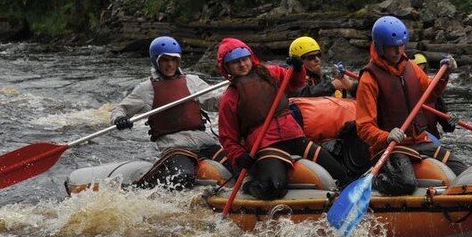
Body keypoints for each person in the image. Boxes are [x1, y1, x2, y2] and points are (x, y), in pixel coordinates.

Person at [215, 37, 349, 200]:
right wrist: (239, 156)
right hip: (266, 145)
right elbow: (227, 137)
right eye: (236, 62)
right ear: (227, 67)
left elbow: (296, 83)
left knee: (341, 174)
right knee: (273, 188)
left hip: (294, 136)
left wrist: (298, 68)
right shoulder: (229, 98)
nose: (242, 64)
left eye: (244, 59)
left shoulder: (270, 73)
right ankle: (249, 185)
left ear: (251, 58)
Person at [355, 16, 468, 195]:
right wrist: (386, 136)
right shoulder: (369, 79)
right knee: (405, 184)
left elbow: (430, 94)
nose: (398, 51)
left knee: (463, 171)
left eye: (401, 45)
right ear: (380, 46)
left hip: (420, 140)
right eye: (392, 47)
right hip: (391, 146)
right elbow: (363, 127)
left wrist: (444, 76)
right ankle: (374, 181)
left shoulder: (411, 67)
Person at [110, 36, 222, 189]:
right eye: (165, 60)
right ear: (156, 61)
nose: (170, 64)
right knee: (182, 177)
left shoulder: (192, 81)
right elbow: (120, 109)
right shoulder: (146, 89)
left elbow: (214, 102)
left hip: (205, 142)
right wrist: (119, 118)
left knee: (237, 163)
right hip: (175, 147)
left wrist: (233, 97)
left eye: (174, 60)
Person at [289, 36, 356, 98]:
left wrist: (350, 87)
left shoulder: (322, 77)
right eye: (311, 57)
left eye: (318, 55)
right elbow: (299, 94)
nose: (317, 59)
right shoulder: (295, 78)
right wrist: (331, 86)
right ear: (299, 61)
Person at [413, 53, 458, 139]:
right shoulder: (399, 93)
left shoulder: (434, 96)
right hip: (408, 139)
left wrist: (451, 120)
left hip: (431, 141)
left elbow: (448, 128)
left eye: (423, 67)